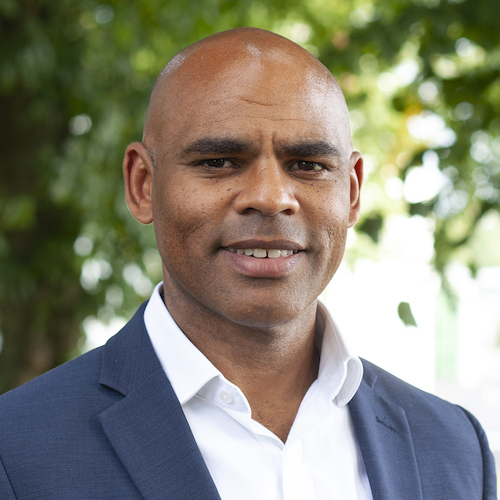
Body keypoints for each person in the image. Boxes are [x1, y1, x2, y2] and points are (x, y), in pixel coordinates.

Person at [0, 27, 496, 500]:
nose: (271, 197)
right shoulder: (18, 452)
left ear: (351, 192)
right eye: (218, 162)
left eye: (308, 165)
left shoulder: (454, 448)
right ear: (143, 185)